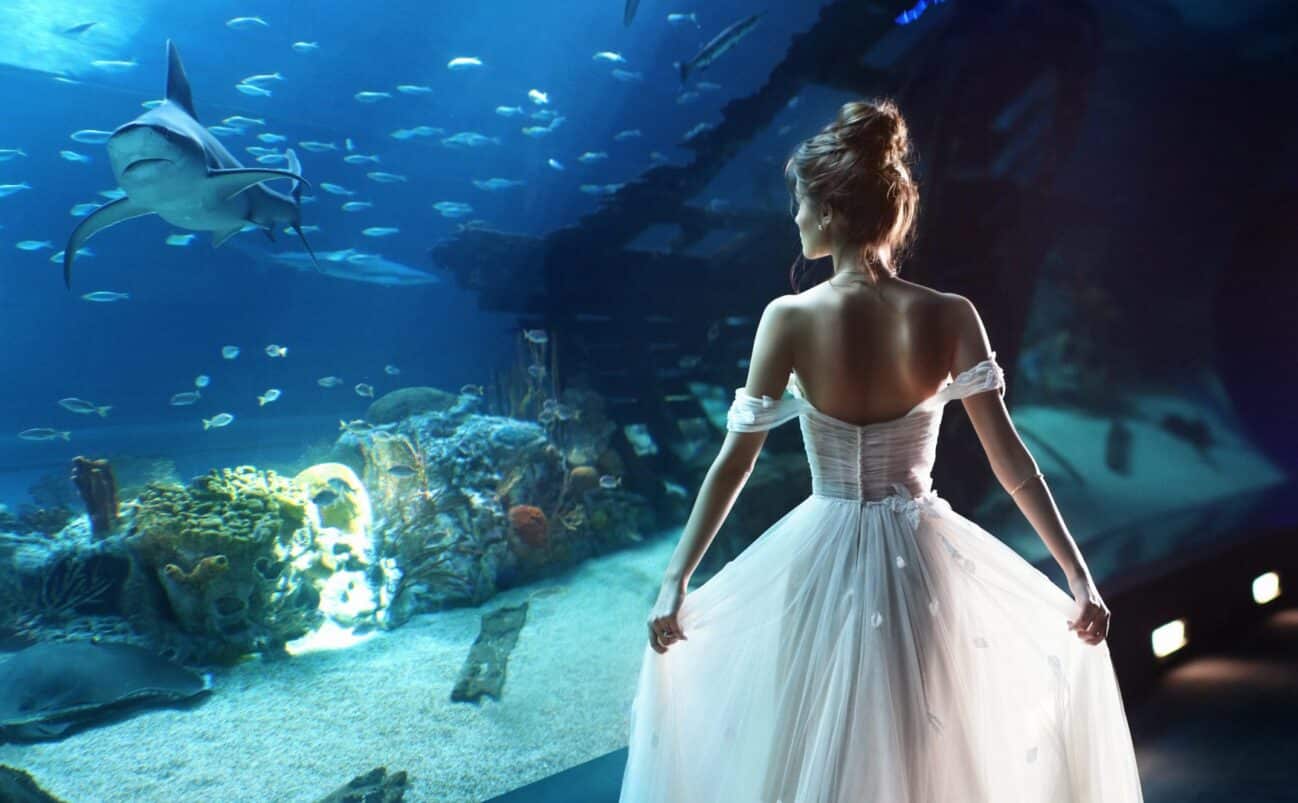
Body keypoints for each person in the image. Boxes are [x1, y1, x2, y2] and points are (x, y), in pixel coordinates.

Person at [618, 98, 1145, 802]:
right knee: (921, 750)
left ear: (833, 211)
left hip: (817, 558)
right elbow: (1012, 463)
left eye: (801, 203)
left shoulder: (788, 318)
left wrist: (675, 580)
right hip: (921, 562)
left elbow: (734, 464)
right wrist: (1078, 576)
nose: (795, 219)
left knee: (807, 746)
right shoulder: (950, 314)